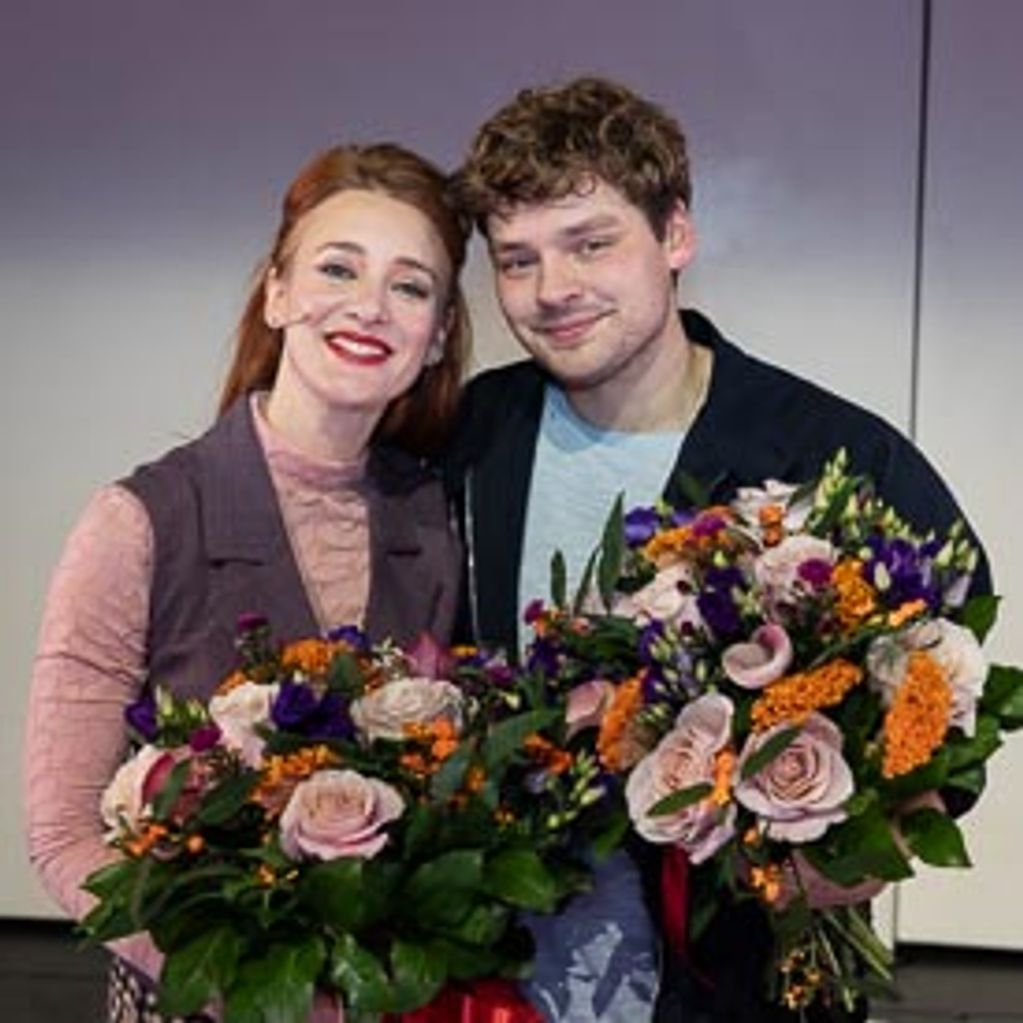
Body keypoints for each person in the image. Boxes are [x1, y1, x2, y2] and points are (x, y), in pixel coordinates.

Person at [446, 76, 990, 1022]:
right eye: (516, 259)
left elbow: (948, 696)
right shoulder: (473, 433)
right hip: (509, 972)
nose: (551, 289)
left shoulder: (826, 455)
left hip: (735, 980)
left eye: (590, 243)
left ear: (675, 236)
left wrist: (864, 846)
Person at [25, 142, 471, 1023]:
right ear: (276, 293)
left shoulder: (436, 521)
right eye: (338, 267)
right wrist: (252, 991)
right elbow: (65, 835)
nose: (369, 306)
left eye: (410, 286)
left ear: (436, 336)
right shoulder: (139, 520)